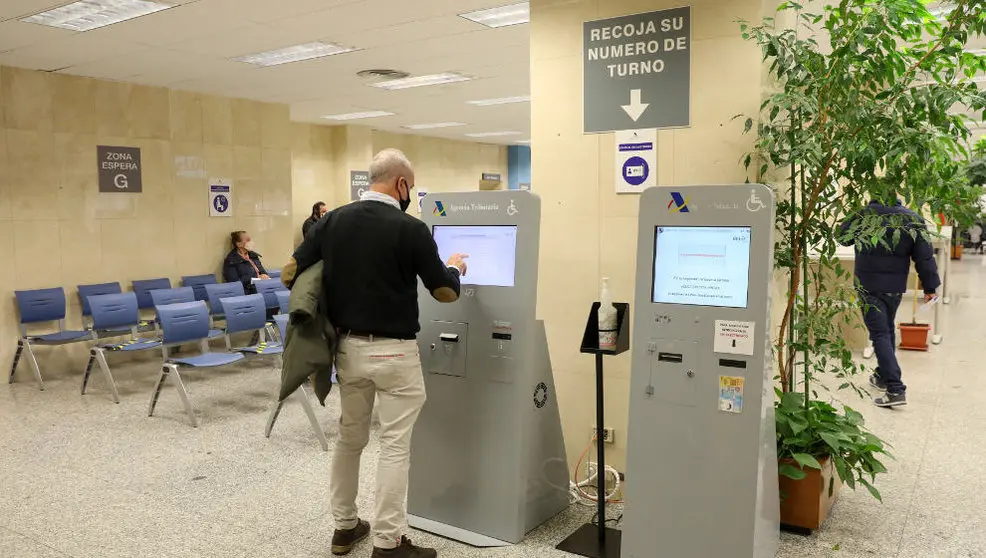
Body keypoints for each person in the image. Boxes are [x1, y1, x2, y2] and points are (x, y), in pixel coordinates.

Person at [285, 148, 468, 558]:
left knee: (350, 439)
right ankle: (388, 542)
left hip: (348, 350)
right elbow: (445, 291)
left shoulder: (331, 220)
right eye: (412, 186)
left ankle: (345, 527)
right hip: (396, 354)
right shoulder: (411, 228)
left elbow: (289, 273)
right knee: (394, 445)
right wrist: (455, 267)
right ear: (401, 183)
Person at [840, 198, 940, 408]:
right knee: (886, 330)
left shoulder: (865, 215)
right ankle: (882, 375)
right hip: (894, 288)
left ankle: (895, 388)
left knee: (880, 334)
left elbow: (842, 237)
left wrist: (857, 211)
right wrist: (930, 287)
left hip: (868, 285)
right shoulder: (911, 218)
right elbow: (924, 257)